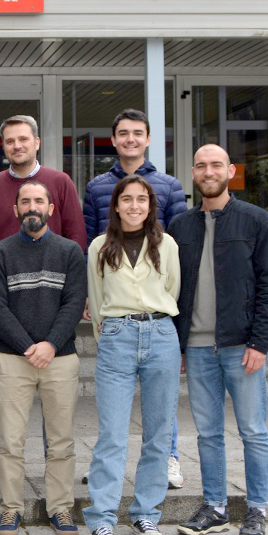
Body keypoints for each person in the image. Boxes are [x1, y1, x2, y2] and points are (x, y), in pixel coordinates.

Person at [170, 144, 268, 535]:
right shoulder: (180, 226)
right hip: (197, 348)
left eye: (216, 164)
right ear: (194, 173)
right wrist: (179, 345)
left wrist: (260, 342)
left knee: (253, 430)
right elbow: (173, 289)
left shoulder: (256, 220)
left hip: (242, 346)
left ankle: (256, 510)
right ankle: (215, 507)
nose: (208, 171)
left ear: (231, 171)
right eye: (201, 165)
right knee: (208, 433)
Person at [0, 115, 86, 485]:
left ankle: (57, 462)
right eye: (9, 141)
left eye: (23, 139)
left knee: (56, 389)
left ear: (36, 142)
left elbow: (76, 239)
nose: (17, 146)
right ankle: (0, 460)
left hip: (54, 299)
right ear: (3, 147)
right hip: (4, 303)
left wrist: (77, 295)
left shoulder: (60, 182)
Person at [82, 107, 189, 489]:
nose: (130, 139)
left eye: (137, 133)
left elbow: (178, 247)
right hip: (116, 311)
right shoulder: (96, 187)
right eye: (123, 133)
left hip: (156, 313)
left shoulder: (170, 185)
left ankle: (170, 458)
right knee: (113, 414)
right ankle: (107, 467)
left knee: (161, 408)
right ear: (114, 140)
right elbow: (92, 240)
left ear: (147, 139)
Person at [0, 180, 86, 535]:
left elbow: (74, 303)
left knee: (61, 441)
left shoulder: (71, 251)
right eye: (24, 201)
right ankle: (11, 508)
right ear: (15, 210)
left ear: (51, 208)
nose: (32, 207)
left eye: (38, 201)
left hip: (60, 358)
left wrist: (50, 344)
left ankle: (60, 509)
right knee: (11, 442)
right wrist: (29, 345)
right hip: (13, 358)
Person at [83, 175, 181, 535]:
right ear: (117, 205)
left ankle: (146, 513)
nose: (135, 206)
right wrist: (109, 336)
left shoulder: (167, 244)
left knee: (158, 431)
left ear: (150, 204)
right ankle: (103, 519)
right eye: (128, 199)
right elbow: (96, 296)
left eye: (142, 199)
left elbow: (172, 289)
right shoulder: (99, 246)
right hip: (117, 337)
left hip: (160, 334)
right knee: (112, 432)